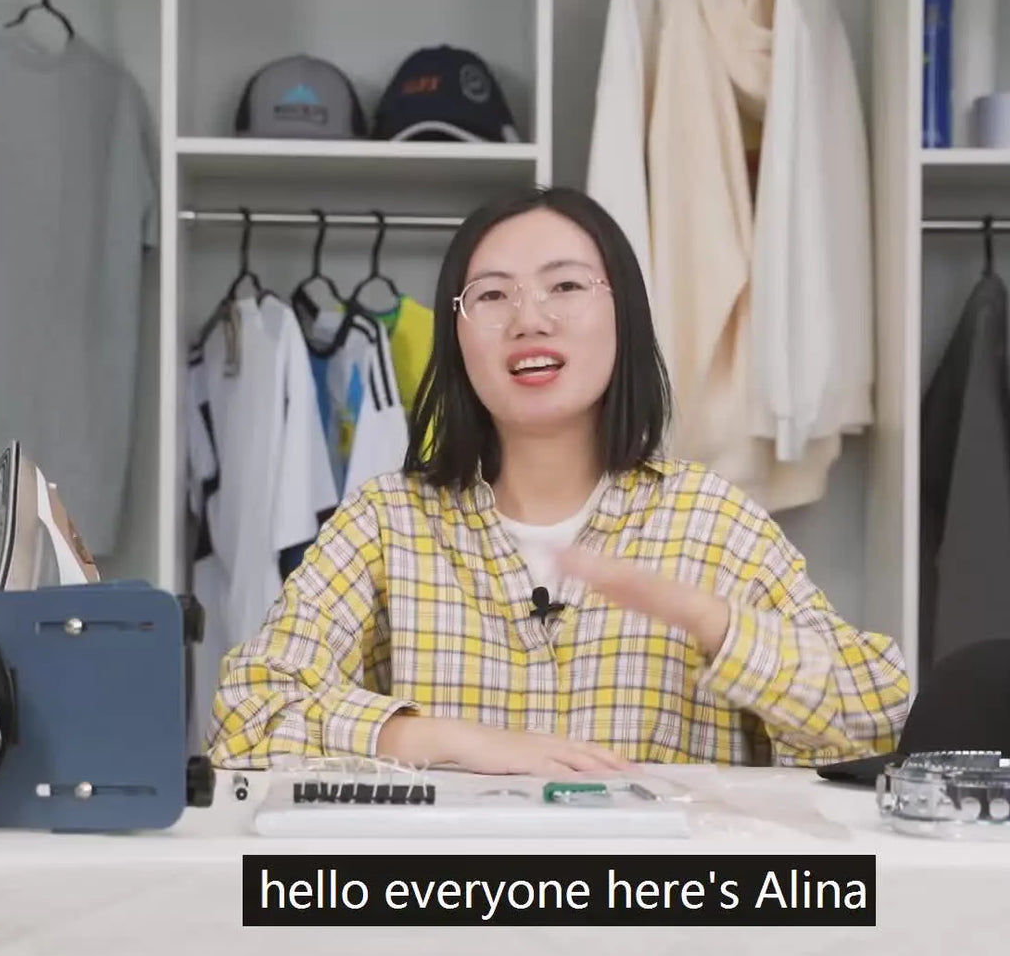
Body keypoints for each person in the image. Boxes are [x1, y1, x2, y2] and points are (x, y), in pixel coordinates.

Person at [207, 186, 910, 776]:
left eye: (566, 286)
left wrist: (717, 626)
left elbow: (875, 721)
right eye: (491, 296)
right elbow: (248, 714)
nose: (529, 319)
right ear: (457, 336)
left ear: (623, 315)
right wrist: (446, 738)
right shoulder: (386, 520)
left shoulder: (713, 520)